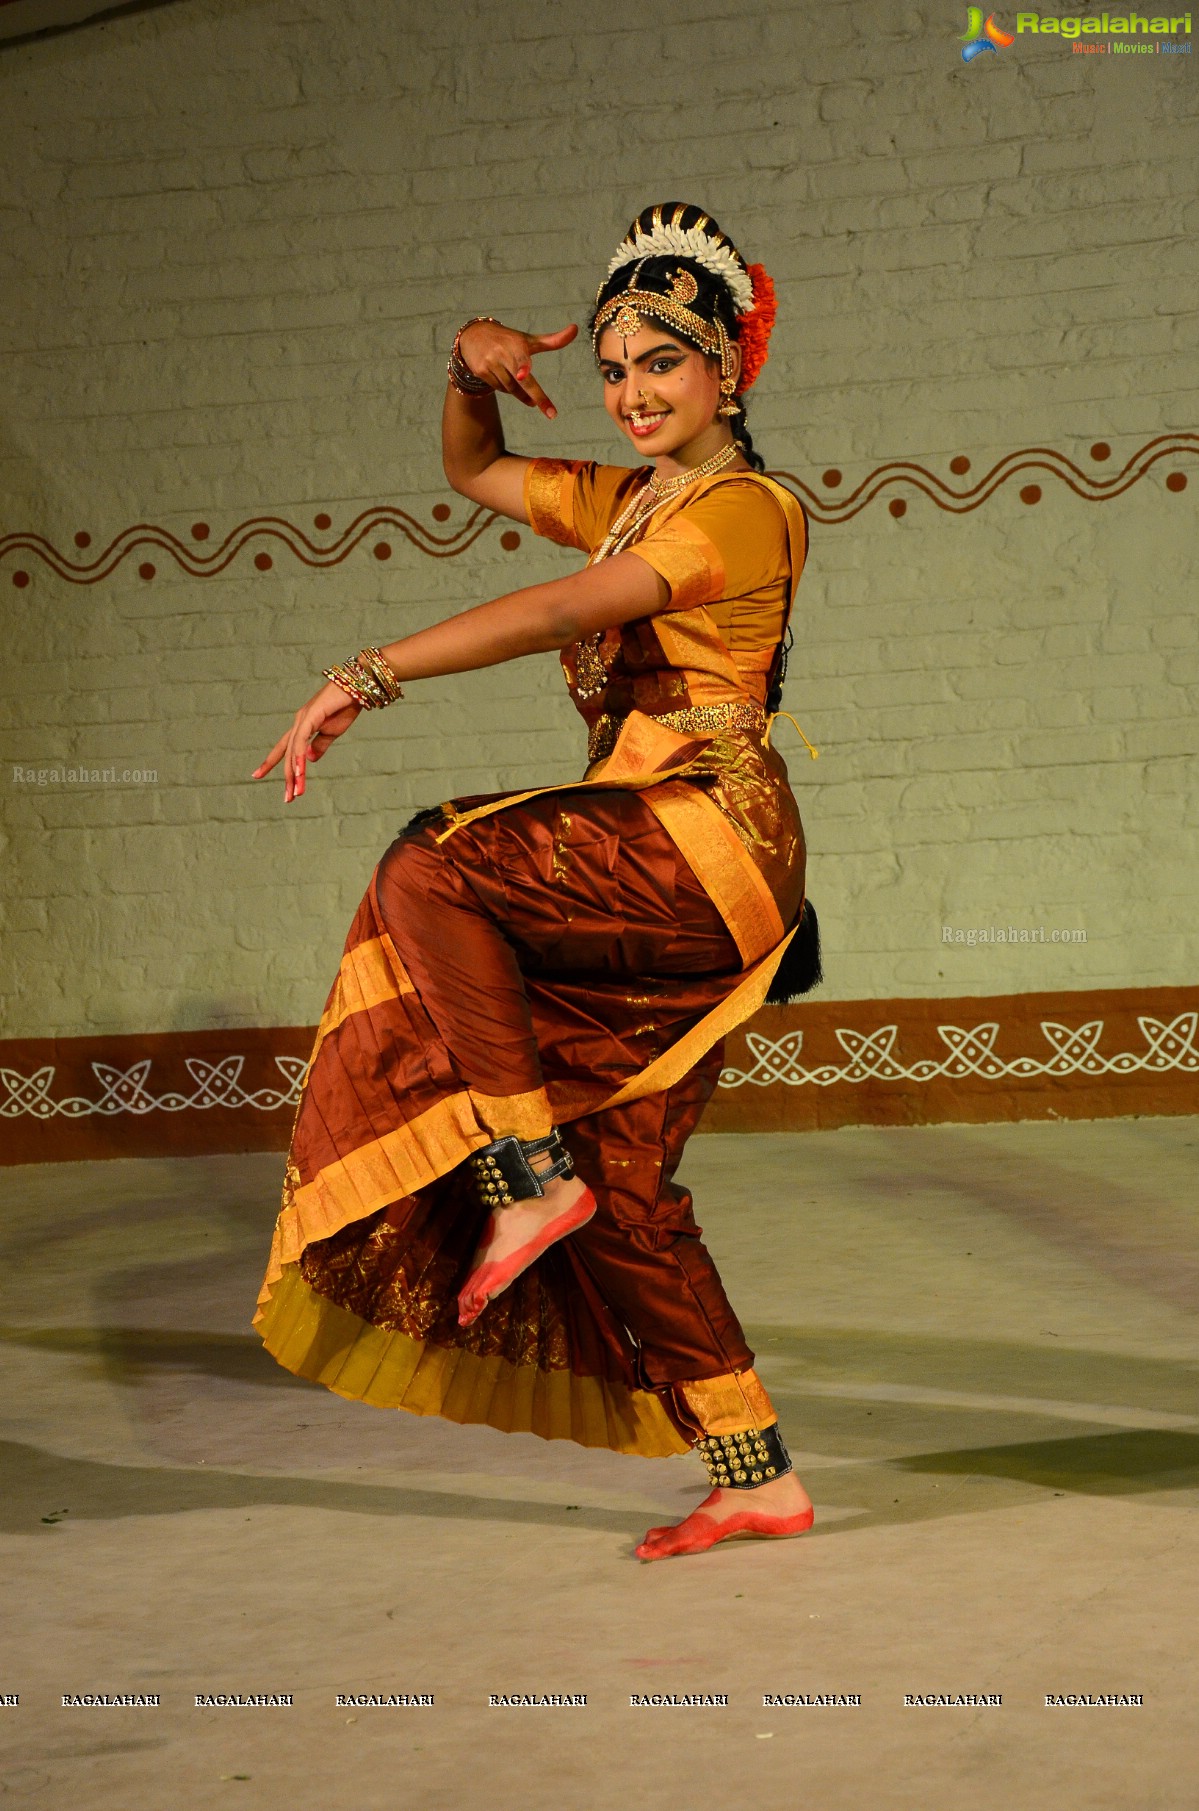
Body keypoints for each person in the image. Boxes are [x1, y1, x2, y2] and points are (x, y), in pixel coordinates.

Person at [251, 202, 821, 1561]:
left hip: (707, 838)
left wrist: (366, 671)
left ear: (728, 371)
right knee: (628, 1188)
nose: (630, 393)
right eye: (616, 368)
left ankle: (522, 1170)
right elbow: (475, 472)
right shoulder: (634, 496)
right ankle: (758, 1476)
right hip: (664, 851)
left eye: (662, 365)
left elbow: (573, 610)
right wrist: (466, 361)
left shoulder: (744, 509)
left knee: (432, 865)